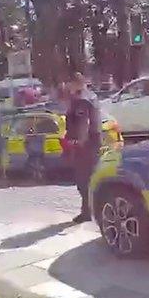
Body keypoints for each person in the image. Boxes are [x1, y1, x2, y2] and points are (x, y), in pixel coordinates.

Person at [63, 72, 101, 223]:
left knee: (83, 180)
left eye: (69, 83)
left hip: (85, 146)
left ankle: (88, 212)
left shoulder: (81, 101)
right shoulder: (91, 96)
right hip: (93, 143)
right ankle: (89, 210)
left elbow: (83, 124)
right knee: (88, 178)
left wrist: (78, 142)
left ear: (76, 83)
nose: (67, 87)